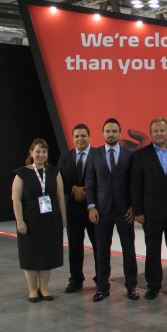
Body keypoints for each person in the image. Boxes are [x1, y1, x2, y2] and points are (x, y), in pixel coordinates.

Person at [131, 117, 167, 300]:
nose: (159, 134)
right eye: (155, 131)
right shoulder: (140, 155)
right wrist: (138, 211)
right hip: (151, 213)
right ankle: (153, 285)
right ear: (150, 133)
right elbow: (136, 185)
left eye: (162, 130)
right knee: (153, 251)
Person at [85, 118, 139, 302]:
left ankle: (132, 286)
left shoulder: (130, 154)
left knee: (129, 249)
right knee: (102, 250)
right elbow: (90, 182)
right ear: (103, 133)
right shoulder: (94, 154)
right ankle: (102, 287)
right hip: (102, 210)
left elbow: (134, 182)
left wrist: (134, 206)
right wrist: (91, 207)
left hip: (125, 210)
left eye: (114, 131)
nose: (111, 134)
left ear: (120, 133)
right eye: (107, 131)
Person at [11, 138, 66, 302]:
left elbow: (60, 197)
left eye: (44, 151)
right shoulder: (22, 173)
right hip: (30, 219)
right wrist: (20, 221)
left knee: (47, 253)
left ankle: (45, 288)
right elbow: (16, 199)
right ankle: (33, 289)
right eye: (37, 151)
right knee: (30, 253)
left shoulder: (54, 172)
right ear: (31, 153)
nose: (41, 154)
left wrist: (63, 219)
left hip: (50, 219)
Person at [57, 124, 98, 293]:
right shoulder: (65, 157)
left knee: (99, 246)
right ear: (73, 138)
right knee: (74, 247)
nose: (80, 139)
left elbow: (103, 179)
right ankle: (76, 280)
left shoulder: (98, 155)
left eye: (83, 135)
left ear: (89, 137)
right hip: (73, 210)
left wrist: (87, 192)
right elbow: (60, 181)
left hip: (95, 210)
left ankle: (101, 278)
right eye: (77, 136)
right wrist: (73, 189)